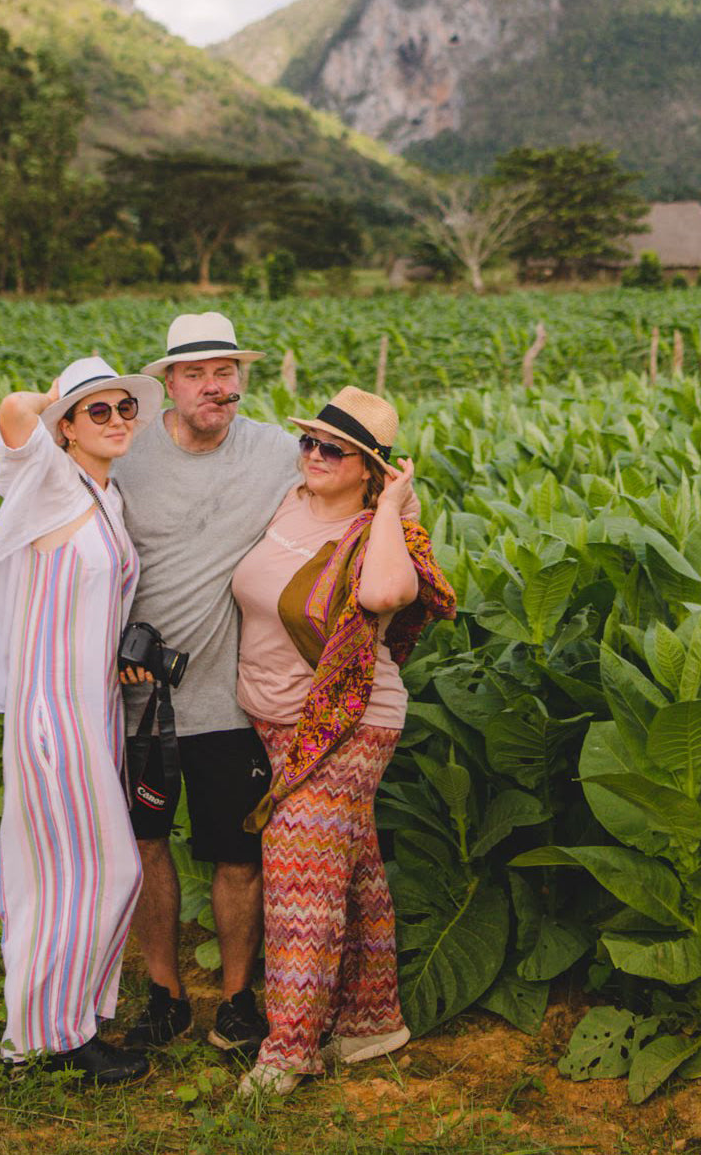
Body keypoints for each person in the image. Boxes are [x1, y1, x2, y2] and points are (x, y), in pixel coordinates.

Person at [230, 386, 456, 1097]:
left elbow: (388, 595)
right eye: (310, 443)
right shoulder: (288, 501)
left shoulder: (381, 525)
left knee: (302, 884)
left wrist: (391, 507)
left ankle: (288, 1050)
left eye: (337, 450)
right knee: (350, 869)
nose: (316, 457)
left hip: (348, 721)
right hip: (274, 719)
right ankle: (371, 1020)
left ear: (370, 467)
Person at [0, 355, 163, 1083]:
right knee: (102, 872)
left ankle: (62, 1025)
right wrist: (50, 398)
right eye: (96, 411)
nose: (115, 421)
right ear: (68, 428)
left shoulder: (105, 494)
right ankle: (57, 1039)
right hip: (53, 717)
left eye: (124, 409)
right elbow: (14, 417)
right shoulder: (47, 478)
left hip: (93, 709)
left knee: (66, 874)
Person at [112, 313, 302, 1054]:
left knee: (236, 854)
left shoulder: (277, 451)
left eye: (226, 371)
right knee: (145, 844)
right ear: (167, 380)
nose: (215, 387)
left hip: (230, 693)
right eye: (197, 373)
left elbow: (352, 482)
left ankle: (237, 1000)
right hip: (136, 702)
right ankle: (164, 994)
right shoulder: (127, 452)